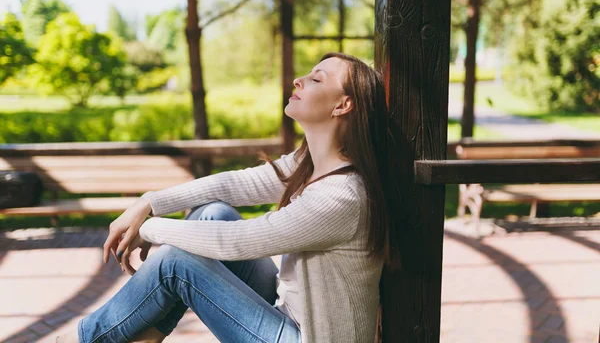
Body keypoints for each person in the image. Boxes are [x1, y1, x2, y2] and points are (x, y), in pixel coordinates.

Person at [57, 52, 397, 343]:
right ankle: (150, 332)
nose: (299, 80)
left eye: (316, 79)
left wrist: (149, 228)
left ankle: (86, 339)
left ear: (343, 105)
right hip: (287, 315)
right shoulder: (309, 164)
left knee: (176, 262)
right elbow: (234, 184)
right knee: (212, 212)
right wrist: (150, 201)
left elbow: (239, 241)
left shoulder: (341, 196)